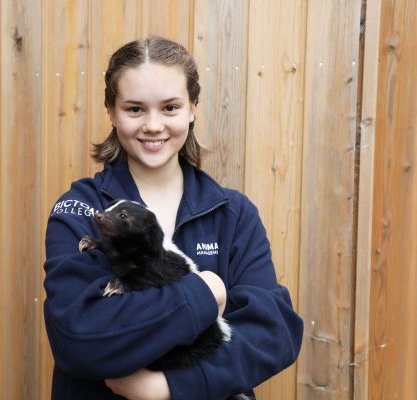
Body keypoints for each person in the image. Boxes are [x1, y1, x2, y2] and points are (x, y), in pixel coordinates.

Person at [43, 36, 303, 400]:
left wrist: (169, 386)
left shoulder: (232, 214)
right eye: (135, 109)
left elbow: (272, 334)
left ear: (192, 107)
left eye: (170, 107)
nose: (153, 125)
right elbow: (79, 337)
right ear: (111, 111)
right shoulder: (82, 210)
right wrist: (206, 292)